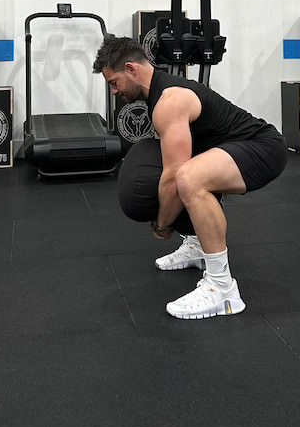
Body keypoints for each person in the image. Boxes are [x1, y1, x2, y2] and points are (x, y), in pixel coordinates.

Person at [93, 36, 288, 320]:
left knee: (188, 178)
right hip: (230, 147)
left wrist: (162, 224)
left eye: (113, 82)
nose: (113, 91)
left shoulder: (170, 100)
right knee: (183, 167)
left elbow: (174, 177)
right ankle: (197, 246)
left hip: (263, 148)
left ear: (131, 69)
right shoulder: (158, 93)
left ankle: (222, 289)